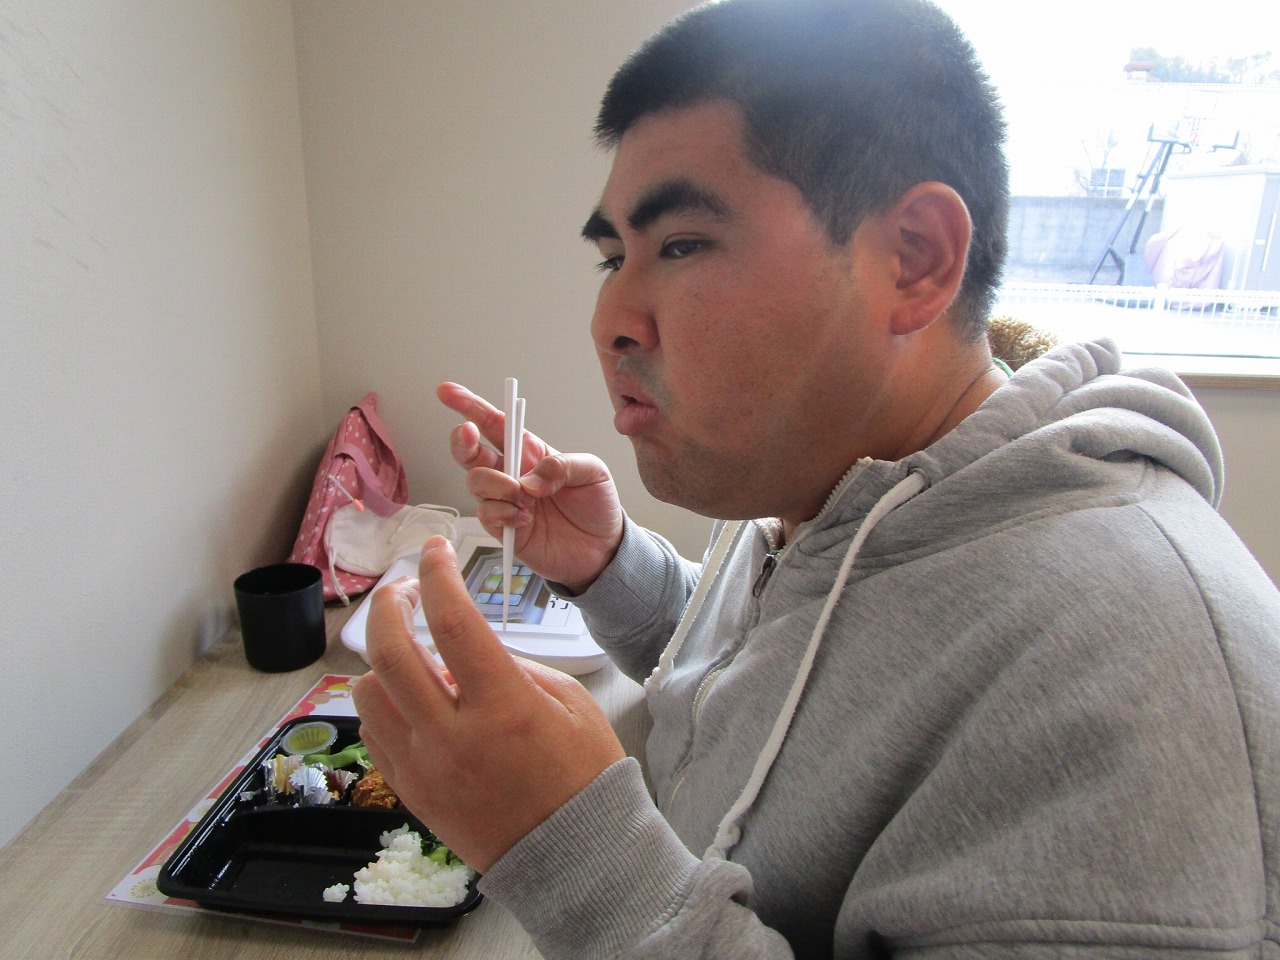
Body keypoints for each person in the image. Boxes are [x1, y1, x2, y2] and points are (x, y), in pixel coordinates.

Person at [352, 0, 1280, 956]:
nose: (610, 321)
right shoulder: (830, 481)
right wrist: (610, 566)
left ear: (915, 259)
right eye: (612, 257)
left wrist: (575, 853)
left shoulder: (1144, 681)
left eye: (681, 244)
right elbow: (792, 685)